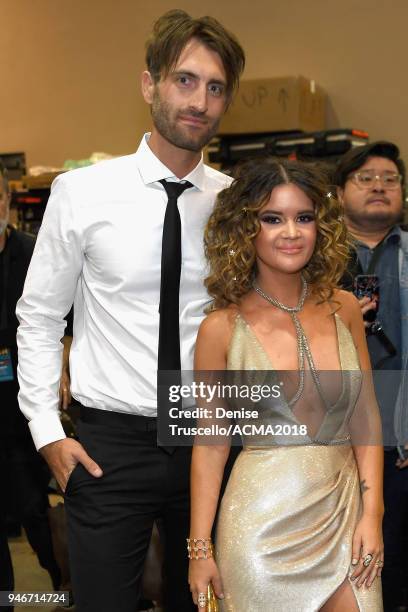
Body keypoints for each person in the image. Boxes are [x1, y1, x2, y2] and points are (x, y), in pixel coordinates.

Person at [16, 10, 245, 612]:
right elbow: (40, 319)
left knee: (207, 604)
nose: (199, 100)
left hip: (210, 436)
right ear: (149, 85)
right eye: (184, 80)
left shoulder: (237, 204)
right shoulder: (82, 193)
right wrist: (46, 434)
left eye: (215, 87)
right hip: (108, 447)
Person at [188, 158, 384, 611]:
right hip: (259, 530)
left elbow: (366, 416)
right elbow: (211, 445)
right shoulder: (220, 329)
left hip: (346, 514)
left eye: (304, 217)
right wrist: (200, 549)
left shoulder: (345, 309)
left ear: (322, 226)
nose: (290, 232)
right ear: (245, 227)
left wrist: (373, 512)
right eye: (272, 219)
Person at [334, 141, 408, 612]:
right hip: (333, 445)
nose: (380, 186)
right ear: (338, 193)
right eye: (365, 177)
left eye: (391, 179)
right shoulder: (306, 256)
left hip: (400, 443)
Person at [0, 163, 62, 605]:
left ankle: (63, 586)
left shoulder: (30, 252)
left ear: (5, 203)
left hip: (25, 400)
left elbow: (61, 318)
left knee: (32, 510)